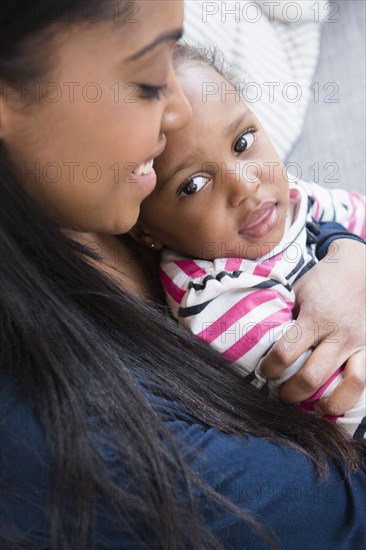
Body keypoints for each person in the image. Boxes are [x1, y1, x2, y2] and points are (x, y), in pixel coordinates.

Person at [1, 2, 366, 549]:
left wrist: (344, 253)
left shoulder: (111, 191)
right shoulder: (95, 443)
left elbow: (316, 213)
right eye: (146, 77)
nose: (178, 113)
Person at [134, 44, 366, 439]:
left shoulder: (283, 199)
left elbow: (356, 213)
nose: (245, 184)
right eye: (193, 185)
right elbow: (338, 392)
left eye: (242, 143)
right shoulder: (213, 293)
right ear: (148, 230)